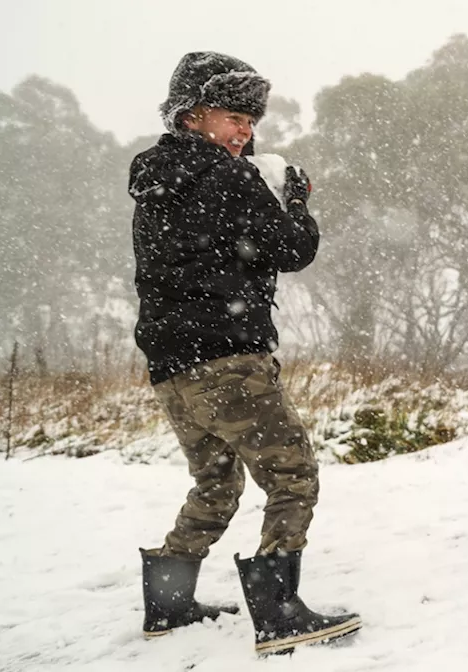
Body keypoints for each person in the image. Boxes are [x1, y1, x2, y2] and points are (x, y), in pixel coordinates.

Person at [129, 51, 360, 655]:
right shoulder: (227, 177)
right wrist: (294, 197)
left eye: (251, 121)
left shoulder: (155, 177)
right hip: (228, 354)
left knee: (216, 479)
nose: (245, 132)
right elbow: (293, 249)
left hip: (171, 363)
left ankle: (170, 602)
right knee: (293, 474)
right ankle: (280, 612)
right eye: (234, 117)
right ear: (192, 114)